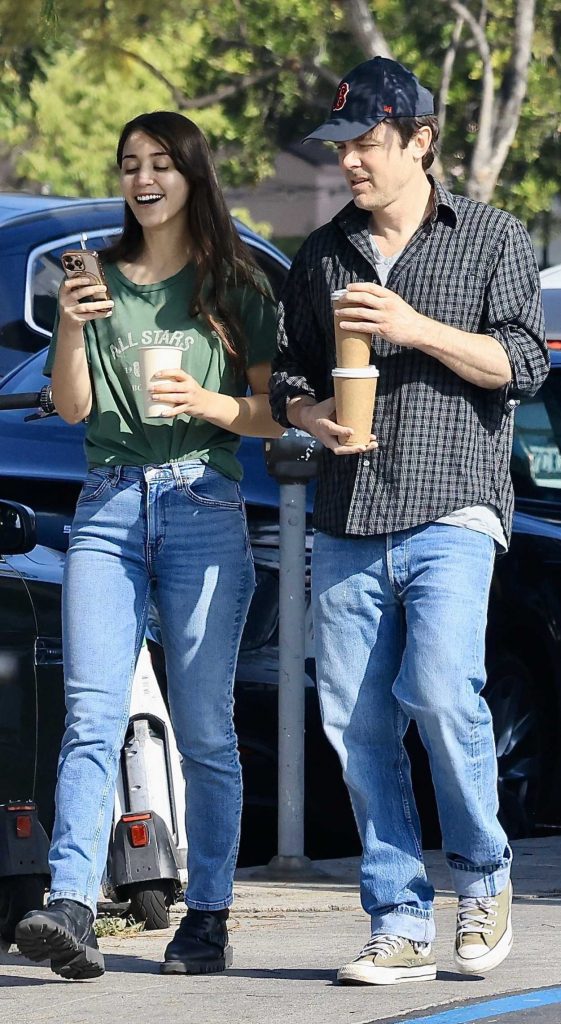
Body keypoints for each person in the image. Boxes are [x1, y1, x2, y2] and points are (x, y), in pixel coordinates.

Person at [269, 57, 549, 985]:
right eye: (339, 147)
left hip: (454, 505)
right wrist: (310, 418)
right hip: (348, 515)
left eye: (365, 144)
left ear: (420, 142)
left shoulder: (493, 239)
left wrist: (413, 324)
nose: (348, 162)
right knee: (353, 721)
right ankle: (396, 916)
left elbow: (521, 364)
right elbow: (294, 377)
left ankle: (482, 875)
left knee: (437, 689)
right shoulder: (320, 254)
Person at [15, 110, 283, 980]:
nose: (142, 178)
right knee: (92, 717)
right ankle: (69, 907)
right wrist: (70, 326)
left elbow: (270, 414)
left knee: (205, 729)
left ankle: (206, 915)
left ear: (192, 174)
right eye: (129, 163)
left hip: (204, 501)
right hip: (108, 508)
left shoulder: (236, 284)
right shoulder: (100, 280)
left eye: (161, 163)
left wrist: (204, 406)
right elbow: (77, 409)